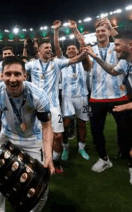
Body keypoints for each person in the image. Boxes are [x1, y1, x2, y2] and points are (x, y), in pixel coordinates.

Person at [0, 56, 55, 212]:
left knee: (41, 184)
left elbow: (46, 126)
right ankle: (0, 210)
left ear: (25, 76)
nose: (12, 79)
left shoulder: (38, 95)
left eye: (17, 74)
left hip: (33, 139)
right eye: (8, 74)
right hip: (7, 138)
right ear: (2, 75)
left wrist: (49, 154)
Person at [25, 37, 87, 170]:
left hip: (53, 106)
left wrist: (85, 52)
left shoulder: (57, 63)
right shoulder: (32, 65)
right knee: (36, 136)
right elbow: (19, 70)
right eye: (46, 48)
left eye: (50, 47)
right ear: (39, 51)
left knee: (58, 136)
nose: (49, 49)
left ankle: (56, 160)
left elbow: (75, 59)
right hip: (36, 107)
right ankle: (38, 159)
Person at [82, 18, 130, 173]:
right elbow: (87, 67)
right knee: (96, 131)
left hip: (118, 96)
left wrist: (110, 26)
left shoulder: (116, 47)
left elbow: (125, 43)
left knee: (125, 131)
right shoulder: (91, 49)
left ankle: (128, 160)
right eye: (98, 31)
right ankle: (104, 159)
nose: (100, 33)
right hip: (96, 97)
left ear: (109, 32)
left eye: (104, 30)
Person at [54, 20, 90, 161]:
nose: (70, 50)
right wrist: (56, 30)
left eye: (73, 49)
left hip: (82, 96)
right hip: (67, 97)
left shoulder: (83, 61)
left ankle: (81, 147)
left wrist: (75, 30)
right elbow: (57, 46)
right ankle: (66, 148)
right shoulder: (62, 61)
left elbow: (84, 46)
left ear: (77, 51)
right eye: (68, 49)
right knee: (66, 124)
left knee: (82, 123)